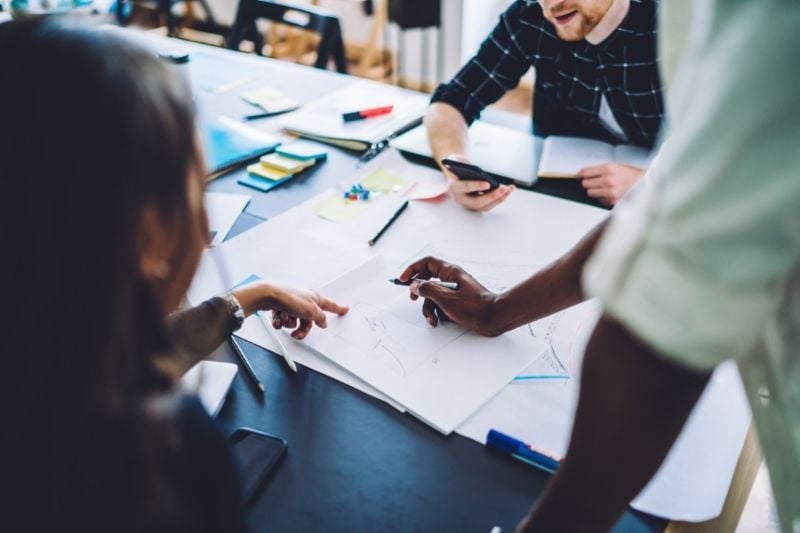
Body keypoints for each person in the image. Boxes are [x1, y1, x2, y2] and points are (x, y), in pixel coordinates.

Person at [399, 0, 800, 530]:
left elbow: (667, 301)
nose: (552, 3)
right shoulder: (535, 18)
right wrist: (494, 309)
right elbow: (667, 213)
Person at [0, 19, 348, 532]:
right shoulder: (164, 457)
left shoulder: (37, 360)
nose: (206, 225)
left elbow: (122, 359)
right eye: (193, 188)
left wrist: (246, 299)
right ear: (148, 237)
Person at [427, 0, 663, 210]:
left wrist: (648, 181)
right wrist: (454, 167)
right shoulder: (530, 15)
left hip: (660, 191)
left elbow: (701, 145)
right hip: (553, 192)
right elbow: (451, 100)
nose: (551, 6)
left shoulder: (672, 25)